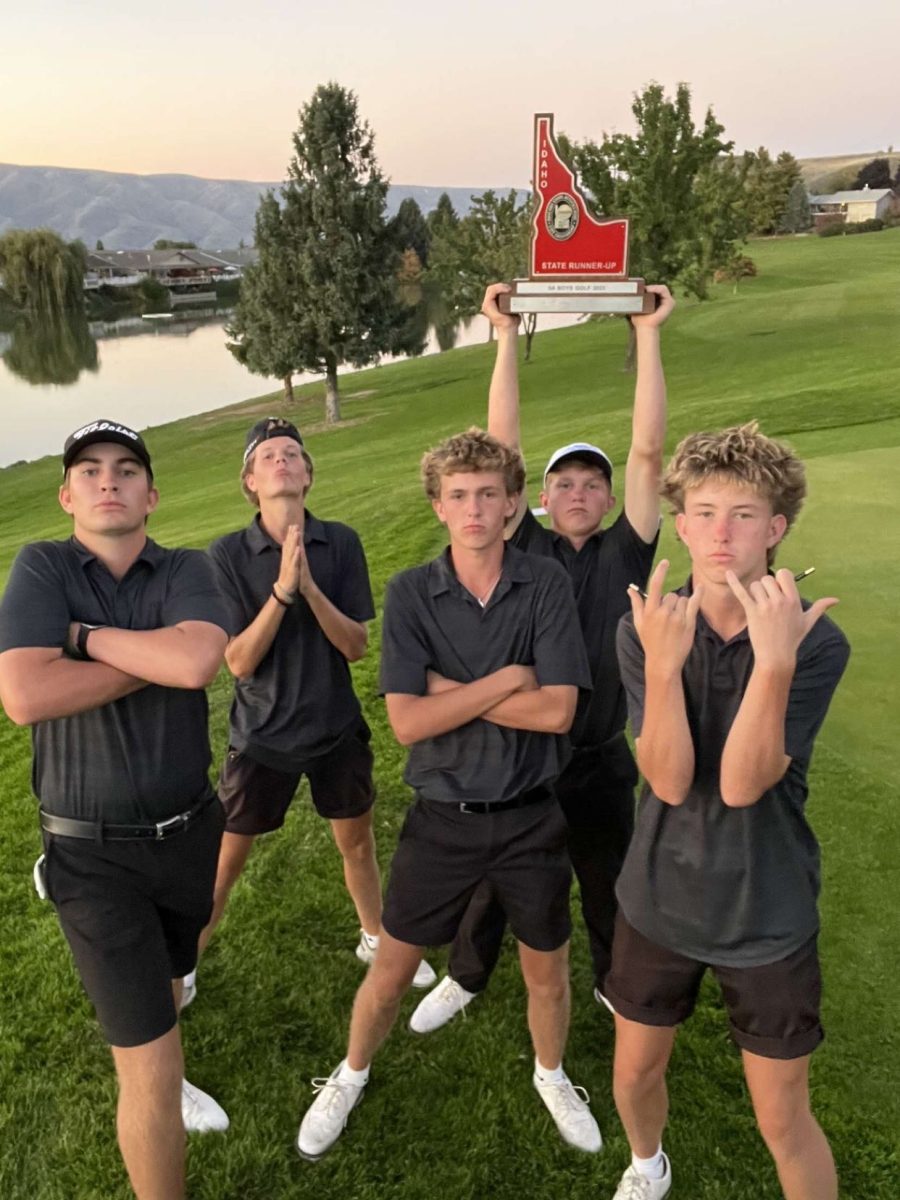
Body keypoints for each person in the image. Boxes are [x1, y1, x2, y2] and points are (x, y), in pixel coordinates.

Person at [296, 428, 601, 1161]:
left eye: (488, 495)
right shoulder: (410, 592)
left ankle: (552, 1074)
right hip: (444, 819)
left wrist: (450, 692)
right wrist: (507, 679)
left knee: (548, 967)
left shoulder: (547, 583)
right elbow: (406, 722)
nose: (474, 508)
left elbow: (559, 710)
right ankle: (350, 1072)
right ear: (438, 506)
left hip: (532, 816)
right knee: (395, 963)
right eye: (458, 495)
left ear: (511, 505)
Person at [410, 281, 674, 1034]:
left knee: (606, 878)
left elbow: (650, 451)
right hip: (527, 748)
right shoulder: (523, 544)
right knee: (498, 876)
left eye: (595, 483)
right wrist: (503, 336)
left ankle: (615, 986)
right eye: (564, 484)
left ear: (610, 497)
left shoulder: (629, 546)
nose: (581, 492)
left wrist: (648, 334)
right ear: (539, 500)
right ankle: (466, 973)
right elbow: (504, 446)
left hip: (599, 752)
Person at [608, 423, 849, 1200]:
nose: (721, 532)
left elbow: (746, 785)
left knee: (782, 1118)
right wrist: (664, 666)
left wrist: (773, 663)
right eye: (704, 511)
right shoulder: (645, 627)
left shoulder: (814, 642)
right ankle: (647, 1163)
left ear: (776, 529)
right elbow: (670, 781)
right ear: (679, 523)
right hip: (658, 899)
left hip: (767, 908)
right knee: (635, 1072)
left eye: (744, 514)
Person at [0, 419, 232, 1200]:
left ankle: (170, 1067)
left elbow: (200, 659)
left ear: (151, 494)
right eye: (91, 471)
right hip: (91, 854)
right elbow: (27, 696)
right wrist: (151, 655)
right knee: (149, 1065)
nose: (109, 481)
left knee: (172, 975)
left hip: (190, 832)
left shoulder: (188, 566)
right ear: (67, 493)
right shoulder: (41, 567)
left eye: (127, 469)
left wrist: (86, 638)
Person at [185, 417, 433, 1004]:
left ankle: (374, 935)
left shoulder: (339, 542)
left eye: (293, 454)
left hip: (334, 728)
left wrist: (311, 587)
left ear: (308, 475)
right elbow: (239, 662)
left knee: (357, 844)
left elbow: (355, 645)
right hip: (262, 736)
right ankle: (186, 960)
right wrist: (280, 592)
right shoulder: (224, 555)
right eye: (268, 455)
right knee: (226, 860)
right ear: (250, 481)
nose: (282, 461)